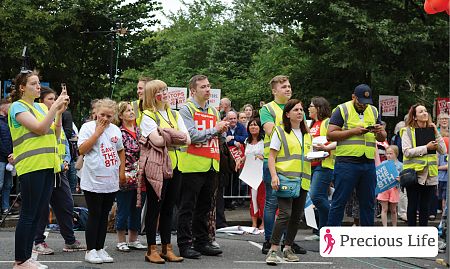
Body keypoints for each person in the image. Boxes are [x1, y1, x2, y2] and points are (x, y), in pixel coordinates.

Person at [9, 70, 69, 269]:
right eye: (33, 83)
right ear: (22, 88)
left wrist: (58, 111)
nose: (38, 86)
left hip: (47, 165)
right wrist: (54, 108)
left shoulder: (41, 107)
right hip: (32, 166)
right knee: (28, 213)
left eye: (38, 83)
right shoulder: (17, 107)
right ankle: (21, 260)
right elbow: (41, 129)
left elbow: (55, 131)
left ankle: (27, 257)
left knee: (36, 214)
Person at [177, 75, 229, 259]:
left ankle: (201, 241)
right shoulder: (185, 110)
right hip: (191, 165)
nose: (208, 90)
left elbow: (218, 137)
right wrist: (216, 129)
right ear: (193, 90)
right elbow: (191, 136)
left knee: (205, 207)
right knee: (187, 207)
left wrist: (222, 131)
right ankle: (184, 244)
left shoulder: (214, 111)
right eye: (203, 87)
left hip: (211, 165)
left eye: (208, 86)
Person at [140, 80, 189, 263]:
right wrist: (175, 135)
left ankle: (167, 248)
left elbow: (188, 139)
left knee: (169, 208)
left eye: (165, 89)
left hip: (175, 164)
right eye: (160, 91)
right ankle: (151, 249)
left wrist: (165, 132)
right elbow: (156, 141)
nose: (164, 93)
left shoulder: (174, 113)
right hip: (157, 166)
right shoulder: (147, 115)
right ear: (152, 95)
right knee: (155, 208)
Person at [33, 87, 85, 255]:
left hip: (58, 169)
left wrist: (64, 161)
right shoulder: (37, 118)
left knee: (66, 205)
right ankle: (38, 241)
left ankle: (70, 241)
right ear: (41, 102)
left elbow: (61, 143)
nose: (54, 101)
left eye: (55, 98)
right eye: (50, 99)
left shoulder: (58, 118)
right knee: (41, 208)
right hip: (42, 168)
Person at [327, 84, 387, 226]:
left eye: (367, 103)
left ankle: (366, 239)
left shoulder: (373, 110)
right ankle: (331, 239)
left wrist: (379, 131)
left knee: (368, 203)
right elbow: (330, 134)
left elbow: (382, 138)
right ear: (353, 97)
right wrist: (353, 131)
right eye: (361, 102)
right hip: (347, 163)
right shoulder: (342, 109)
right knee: (339, 202)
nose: (364, 106)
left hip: (367, 163)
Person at [259, 75, 305, 255]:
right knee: (272, 203)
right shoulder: (267, 108)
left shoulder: (297, 108)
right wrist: (289, 124)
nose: (288, 89)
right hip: (272, 161)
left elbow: (303, 131)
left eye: (289, 86)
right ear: (274, 91)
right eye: (284, 86)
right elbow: (271, 130)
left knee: (292, 207)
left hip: (295, 165)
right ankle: (269, 240)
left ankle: (288, 242)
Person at [78, 98, 126, 264]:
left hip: (110, 179)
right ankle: (90, 250)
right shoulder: (87, 127)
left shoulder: (115, 130)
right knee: (95, 213)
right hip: (93, 179)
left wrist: (121, 172)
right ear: (95, 113)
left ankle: (100, 248)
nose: (105, 119)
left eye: (109, 116)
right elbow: (82, 149)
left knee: (104, 215)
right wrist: (97, 133)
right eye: (102, 115)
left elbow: (120, 150)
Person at [265, 99, 311, 265]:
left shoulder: (307, 133)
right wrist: (274, 176)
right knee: (285, 214)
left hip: (303, 180)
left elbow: (305, 157)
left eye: (301, 109)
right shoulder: (281, 131)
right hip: (285, 178)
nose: (300, 112)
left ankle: (288, 247)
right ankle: (273, 249)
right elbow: (272, 156)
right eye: (296, 109)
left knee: (296, 217)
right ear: (287, 114)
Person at [401, 104, 446, 226]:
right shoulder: (407, 131)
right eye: (421, 112)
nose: (425, 113)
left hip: (429, 175)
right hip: (413, 175)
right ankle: (411, 235)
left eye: (426, 111)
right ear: (415, 117)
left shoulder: (432, 131)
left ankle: (423, 236)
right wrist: (426, 148)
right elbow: (406, 152)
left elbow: (443, 150)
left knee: (425, 207)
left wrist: (436, 132)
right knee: (412, 206)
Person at [114, 102, 146, 253]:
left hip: (141, 175)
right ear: (120, 115)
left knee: (137, 207)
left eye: (132, 110)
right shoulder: (119, 132)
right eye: (127, 111)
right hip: (125, 174)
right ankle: (121, 240)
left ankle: (134, 239)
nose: (131, 112)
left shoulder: (139, 131)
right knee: (123, 208)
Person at [307, 96, 334, 240]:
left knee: (316, 196)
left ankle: (332, 226)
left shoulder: (327, 122)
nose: (308, 108)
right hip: (312, 164)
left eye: (311, 106)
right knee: (320, 197)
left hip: (324, 164)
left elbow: (333, 139)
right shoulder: (311, 124)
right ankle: (323, 232)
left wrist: (324, 147)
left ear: (318, 107)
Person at [235, 118, 265, 229]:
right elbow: (246, 155)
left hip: (262, 173)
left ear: (260, 127)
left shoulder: (265, 140)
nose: (253, 127)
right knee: (253, 198)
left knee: (262, 197)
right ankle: (254, 223)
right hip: (251, 173)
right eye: (251, 125)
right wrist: (240, 160)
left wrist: (261, 157)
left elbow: (269, 156)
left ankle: (263, 223)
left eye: (256, 125)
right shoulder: (247, 140)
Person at [224, 111, 248, 208]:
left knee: (235, 180)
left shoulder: (241, 127)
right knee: (227, 180)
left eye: (234, 118)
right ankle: (226, 202)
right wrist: (234, 143)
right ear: (227, 119)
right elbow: (223, 140)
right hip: (227, 158)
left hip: (238, 157)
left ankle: (231, 201)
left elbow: (245, 138)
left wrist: (233, 138)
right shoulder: (224, 126)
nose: (233, 120)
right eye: (231, 119)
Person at [377, 145, 403, 226]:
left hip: (394, 189)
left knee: (393, 210)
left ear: (396, 154)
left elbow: (403, 177)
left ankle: (394, 226)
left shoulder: (400, 165)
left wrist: (400, 179)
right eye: (387, 154)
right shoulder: (383, 163)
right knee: (384, 209)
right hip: (384, 188)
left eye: (390, 154)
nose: (388, 155)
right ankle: (385, 227)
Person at [0, 99, 13, 216]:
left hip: (9, 159)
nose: (11, 109)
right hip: (2, 158)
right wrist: (8, 154)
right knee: (0, 183)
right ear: (2, 107)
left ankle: (5, 207)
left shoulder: (9, 121)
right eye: (9, 107)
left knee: (8, 185)